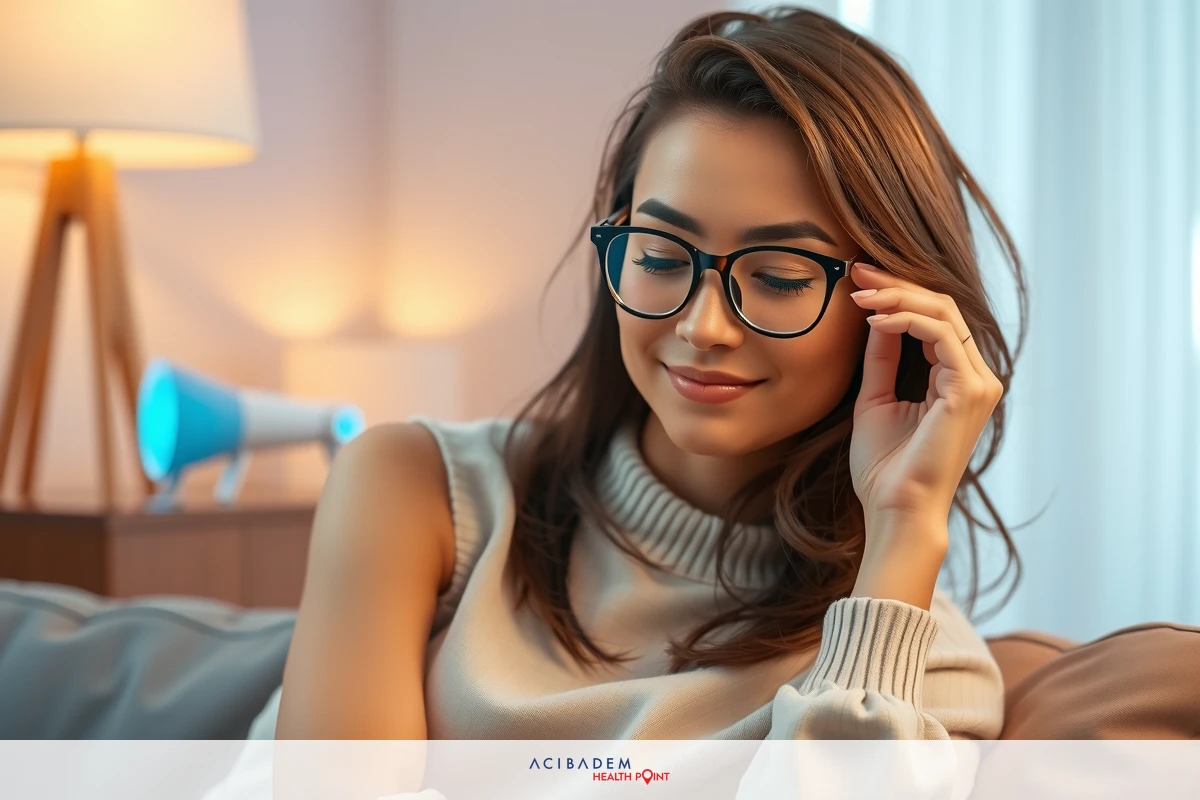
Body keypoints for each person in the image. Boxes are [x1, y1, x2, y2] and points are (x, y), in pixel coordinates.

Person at [235, 5, 1029, 798]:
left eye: (779, 276)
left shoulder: (917, 676)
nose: (703, 326)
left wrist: (904, 521)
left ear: (892, 310)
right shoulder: (419, 491)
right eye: (658, 256)